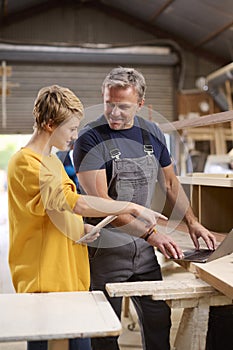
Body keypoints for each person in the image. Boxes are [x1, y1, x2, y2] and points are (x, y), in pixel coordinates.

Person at [7, 84, 167, 350]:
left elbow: (57, 214)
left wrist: (83, 230)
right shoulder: (26, 163)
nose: (75, 135)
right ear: (49, 124)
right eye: (71, 128)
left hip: (70, 283)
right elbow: (73, 203)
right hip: (46, 286)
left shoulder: (52, 162)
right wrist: (130, 207)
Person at [73, 67, 216, 350]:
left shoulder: (151, 133)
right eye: (108, 104)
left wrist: (192, 221)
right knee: (105, 330)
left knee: (158, 318)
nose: (114, 113)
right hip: (105, 251)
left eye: (123, 106)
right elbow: (104, 205)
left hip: (143, 252)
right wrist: (153, 234)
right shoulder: (89, 140)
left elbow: (172, 183)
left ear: (140, 104)